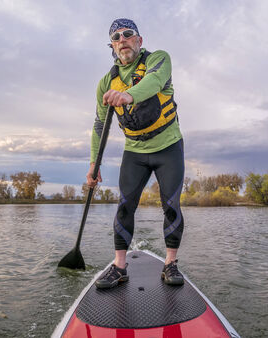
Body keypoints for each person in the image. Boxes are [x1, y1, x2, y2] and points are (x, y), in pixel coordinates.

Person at [86, 18, 185, 289]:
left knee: (171, 205)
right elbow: (99, 125)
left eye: (128, 34)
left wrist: (128, 95)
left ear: (139, 41)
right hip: (135, 151)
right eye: (116, 37)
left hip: (168, 147)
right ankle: (119, 267)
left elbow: (153, 82)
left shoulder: (159, 59)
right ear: (112, 47)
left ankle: (170, 263)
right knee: (125, 205)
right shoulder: (106, 82)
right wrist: (94, 165)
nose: (123, 40)